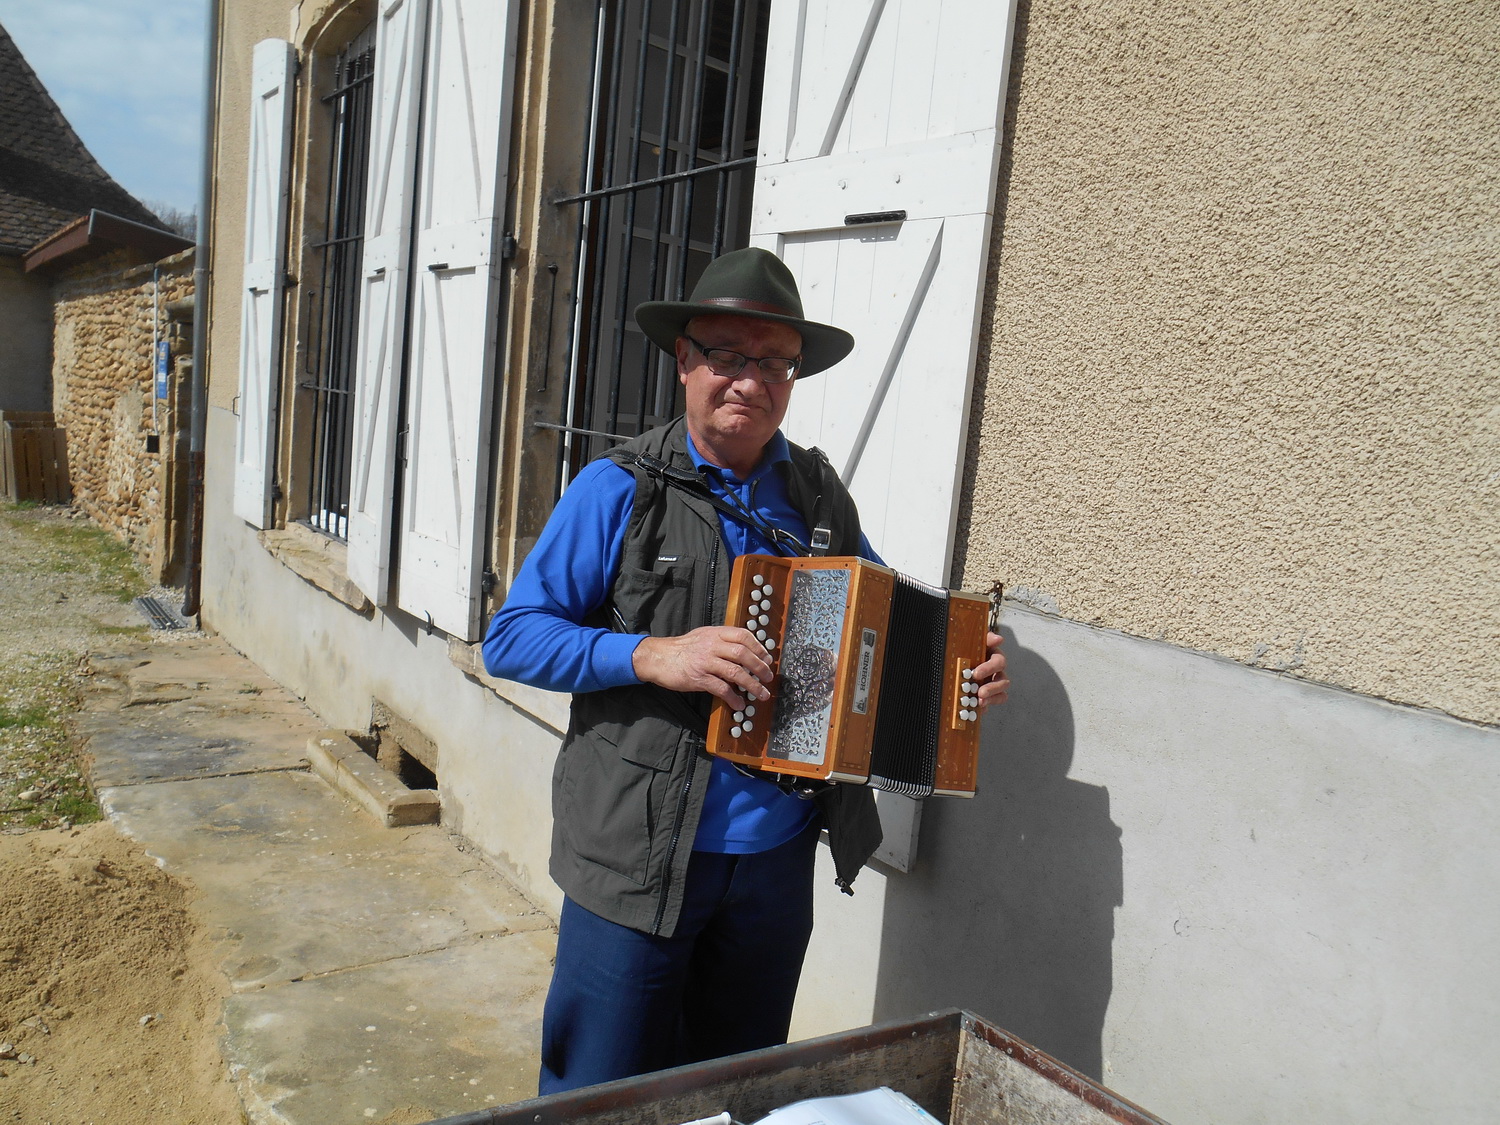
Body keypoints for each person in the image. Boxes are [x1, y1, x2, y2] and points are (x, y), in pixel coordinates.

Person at [483, 247, 1009, 1094]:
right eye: (725, 355)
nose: (748, 380)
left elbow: (887, 618)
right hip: (636, 855)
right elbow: (511, 637)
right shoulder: (618, 488)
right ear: (685, 360)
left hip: (773, 865)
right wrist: (655, 654)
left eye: (772, 362)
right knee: (599, 1094)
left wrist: (962, 668)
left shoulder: (818, 498)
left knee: (734, 1090)